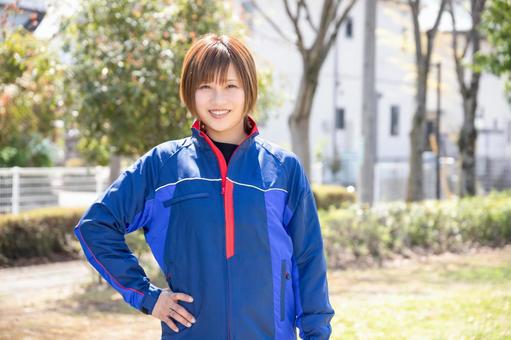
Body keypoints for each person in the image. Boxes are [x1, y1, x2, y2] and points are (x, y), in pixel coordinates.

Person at [74, 33, 334, 339]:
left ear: (248, 89)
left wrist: (316, 334)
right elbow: (96, 226)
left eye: (230, 86)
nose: (218, 100)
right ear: (190, 92)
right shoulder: (164, 165)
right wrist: (147, 296)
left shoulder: (282, 169)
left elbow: (309, 259)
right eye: (205, 87)